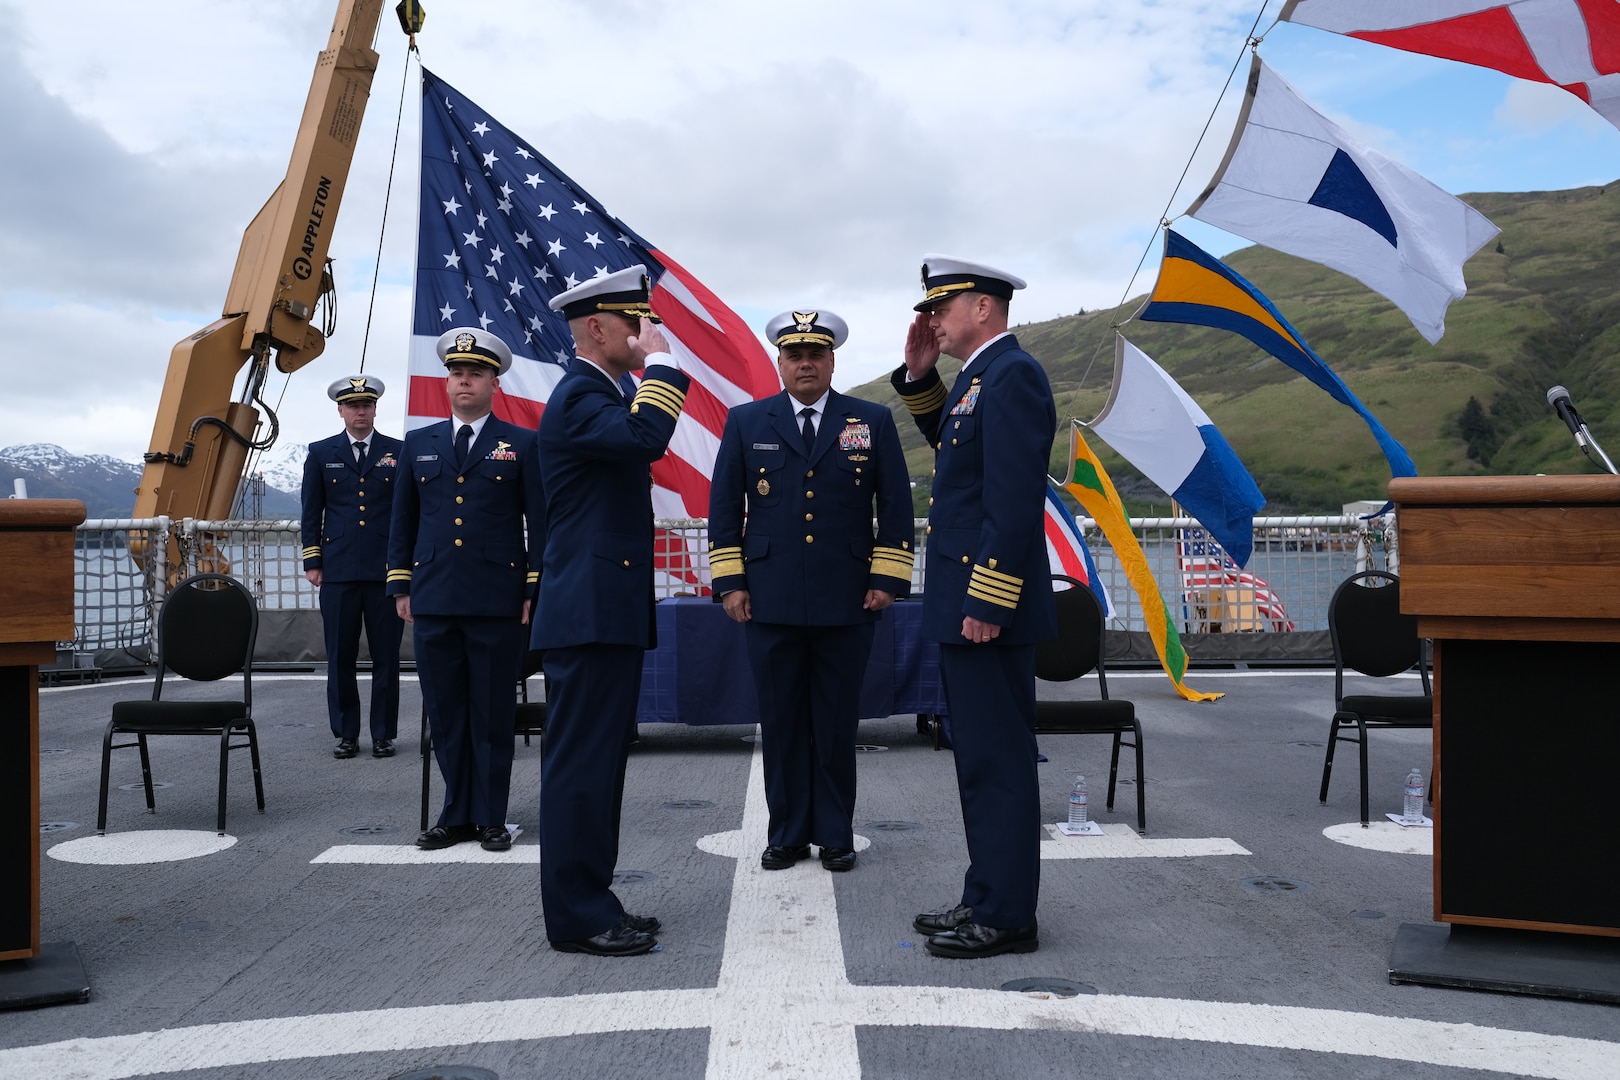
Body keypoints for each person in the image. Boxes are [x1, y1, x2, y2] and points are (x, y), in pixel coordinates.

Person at [889, 255, 1057, 959]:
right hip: (968, 602)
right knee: (977, 761)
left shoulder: (1013, 376)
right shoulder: (980, 379)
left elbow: (1013, 500)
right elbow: (957, 453)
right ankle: (986, 894)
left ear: (982, 308)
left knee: (998, 762)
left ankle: (1009, 915)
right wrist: (922, 380)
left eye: (942, 307)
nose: (932, 319)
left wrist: (989, 598)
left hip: (987, 605)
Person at [708, 309, 913, 873]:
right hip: (768, 598)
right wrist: (730, 582)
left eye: (815, 355)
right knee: (781, 720)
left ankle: (835, 832)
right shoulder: (747, 421)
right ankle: (788, 833)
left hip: (847, 599)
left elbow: (895, 504)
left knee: (835, 720)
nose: (805, 364)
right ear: (780, 361)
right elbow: (724, 509)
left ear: (831, 361)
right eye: (795, 355)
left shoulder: (869, 420)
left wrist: (887, 579)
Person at [532, 266, 690, 957]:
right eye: (634, 323)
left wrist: (648, 365)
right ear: (597, 328)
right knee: (581, 769)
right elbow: (644, 439)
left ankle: (594, 901)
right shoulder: (580, 397)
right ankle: (578, 916)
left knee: (598, 768)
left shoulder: (599, 394)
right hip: (588, 613)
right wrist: (664, 366)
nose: (645, 332)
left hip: (602, 610)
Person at [386, 327, 544, 853]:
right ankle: (456, 814)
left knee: (492, 712)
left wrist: (531, 586)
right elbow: (402, 521)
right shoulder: (419, 444)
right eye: (456, 374)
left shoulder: (520, 444)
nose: (464, 382)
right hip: (432, 597)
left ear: (494, 383)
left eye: (475, 374)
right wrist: (400, 584)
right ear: (446, 383)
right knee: (447, 710)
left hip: (497, 597)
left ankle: (492, 815)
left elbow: (540, 522)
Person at [301, 376, 406, 760]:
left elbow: (406, 513)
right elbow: (312, 511)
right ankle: (346, 733)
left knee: (387, 658)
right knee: (340, 657)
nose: (360, 411)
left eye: (366, 405)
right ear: (340, 410)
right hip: (338, 571)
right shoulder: (320, 452)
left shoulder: (399, 451)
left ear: (375, 409)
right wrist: (313, 560)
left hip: (385, 571)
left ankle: (383, 734)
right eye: (353, 405)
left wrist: (404, 566)